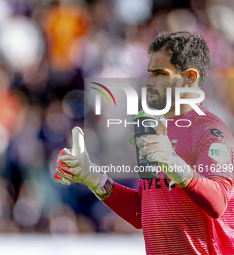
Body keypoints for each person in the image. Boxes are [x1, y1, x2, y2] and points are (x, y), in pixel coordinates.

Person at [54, 31, 234, 254]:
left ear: (190, 77)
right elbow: (143, 212)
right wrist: (94, 177)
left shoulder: (212, 131)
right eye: (149, 72)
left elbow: (218, 203)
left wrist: (173, 163)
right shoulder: (151, 128)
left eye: (159, 73)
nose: (149, 82)